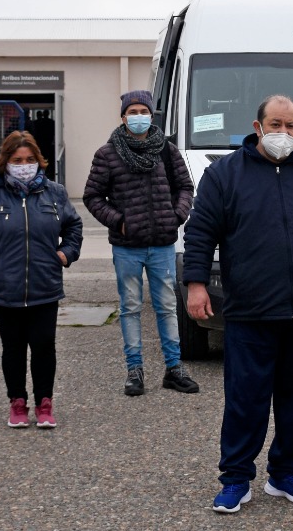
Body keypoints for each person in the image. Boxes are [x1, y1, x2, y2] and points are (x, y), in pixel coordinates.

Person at [182, 95, 293, 513]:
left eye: (292, 125)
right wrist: (195, 284)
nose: (284, 132)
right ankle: (236, 478)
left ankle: (285, 475)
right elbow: (200, 232)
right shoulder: (224, 174)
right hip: (250, 310)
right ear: (257, 126)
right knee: (246, 399)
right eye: (275, 123)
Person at [0, 131, 83, 429]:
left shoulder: (55, 193)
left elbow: (74, 226)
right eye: (17, 160)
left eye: (29, 160)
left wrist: (65, 254)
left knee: (44, 346)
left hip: (44, 285)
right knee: (12, 348)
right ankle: (17, 402)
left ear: (39, 161)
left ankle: (44, 403)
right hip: (4, 288)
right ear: (5, 162)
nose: (24, 165)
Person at [83, 89, 199, 397]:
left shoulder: (167, 150)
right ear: (123, 117)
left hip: (162, 243)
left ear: (151, 115)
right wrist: (119, 220)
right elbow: (92, 197)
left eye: (142, 111)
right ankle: (134, 370)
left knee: (167, 306)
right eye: (132, 112)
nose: (138, 117)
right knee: (131, 307)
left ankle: (174, 369)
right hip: (127, 246)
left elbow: (185, 187)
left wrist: (177, 214)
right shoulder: (107, 154)